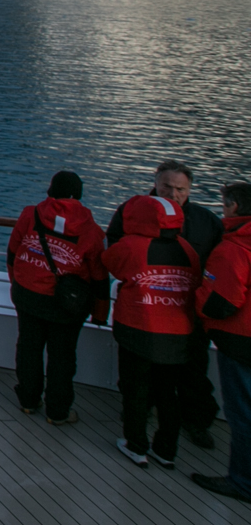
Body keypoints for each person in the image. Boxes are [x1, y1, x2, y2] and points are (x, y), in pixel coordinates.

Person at [106, 159, 225, 449]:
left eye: (181, 190)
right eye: (168, 188)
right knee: (138, 372)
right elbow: (114, 249)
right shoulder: (130, 211)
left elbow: (218, 265)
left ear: (190, 189)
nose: (174, 195)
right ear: (155, 183)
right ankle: (142, 413)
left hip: (189, 313)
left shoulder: (206, 221)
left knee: (193, 371)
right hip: (144, 310)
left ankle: (196, 421)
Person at [105, 194, 200, 467]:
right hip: (177, 333)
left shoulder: (132, 246)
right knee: (168, 393)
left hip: (139, 328)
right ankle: (166, 450)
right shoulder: (187, 249)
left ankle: (136, 445)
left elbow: (110, 262)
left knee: (136, 390)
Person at [6, 170, 108, 425]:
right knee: (62, 357)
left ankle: (28, 401)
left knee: (28, 347)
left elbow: (12, 251)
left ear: (50, 190)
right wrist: (100, 312)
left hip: (28, 294)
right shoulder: (92, 232)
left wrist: (17, 282)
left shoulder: (30, 214)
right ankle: (58, 411)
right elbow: (99, 276)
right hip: (67, 304)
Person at [195, 181, 251, 502]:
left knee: (242, 412)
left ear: (234, 207)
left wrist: (197, 306)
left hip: (240, 341)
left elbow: (222, 302)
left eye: (225, 204)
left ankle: (242, 481)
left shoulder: (234, 247)